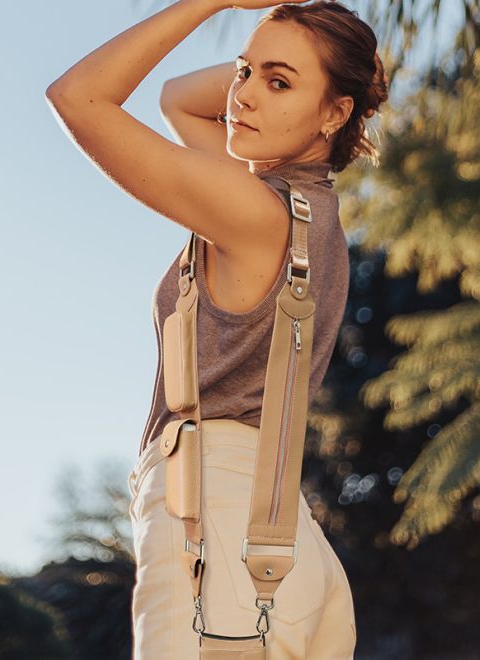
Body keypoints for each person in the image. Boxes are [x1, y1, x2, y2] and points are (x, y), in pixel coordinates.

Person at [45, 1, 388, 657]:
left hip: (215, 526)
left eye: (278, 82)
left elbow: (79, 98)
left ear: (336, 113)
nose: (244, 95)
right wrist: (296, 42)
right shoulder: (307, 213)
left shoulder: (255, 213)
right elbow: (180, 99)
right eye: (243, 71)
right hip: (290, 548)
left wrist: (218, 1)